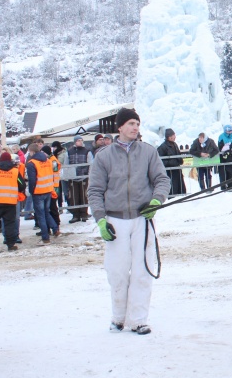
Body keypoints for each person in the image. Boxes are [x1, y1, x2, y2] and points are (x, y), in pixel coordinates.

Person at [87, 108, 170, 335]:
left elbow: (162, 179)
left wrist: (156, 200)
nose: (135, 127)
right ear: (120, 127)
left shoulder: (148, 152)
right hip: (116, 220)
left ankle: (139, 319)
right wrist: (101, 220)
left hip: (142, 219)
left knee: (143, 270)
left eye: (137, 123)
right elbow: (94, 191)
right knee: (117, 272)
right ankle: (118, 318)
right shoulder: (103, 156)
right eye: (131, 123)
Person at [0, 152, 26, 252]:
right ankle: (11, 245)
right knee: (9, 223)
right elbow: (22, 185)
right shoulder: (15, 171)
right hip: (10, 202)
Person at [26, 143, 60, 245]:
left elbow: (32, 180)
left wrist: (31, 191)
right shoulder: (48, 161)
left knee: (40, 215)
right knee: (46, 212)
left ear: (32, 151)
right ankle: (55, 229)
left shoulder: (32, 163)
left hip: (38, 191)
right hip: (48, 189)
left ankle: (45, 238)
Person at [66, 135, 91, 222]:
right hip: (73, 178)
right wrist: (67, 175)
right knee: (73, 196)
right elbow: (66, 164)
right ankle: (75, 215)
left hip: (83, 176)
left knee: (84, 195)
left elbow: (91, 163)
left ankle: (84, 213)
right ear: (75, 142)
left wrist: (89, 175)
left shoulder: (86, 151)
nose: (80, 142)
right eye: (78, 140)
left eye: (81, 140)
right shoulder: (69, 152)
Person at [157, 128, 186, 196]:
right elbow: (160, 161)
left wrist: (180, 160)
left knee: (181, 188)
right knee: (173, 188)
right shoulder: (162, 147)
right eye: (173, 135)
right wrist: (171, 163)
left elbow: (178, 154)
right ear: (169, 137)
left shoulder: (175, 144)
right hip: (170, 172)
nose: (175, 137)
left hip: (177, 169)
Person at [217, 125, 232, 191]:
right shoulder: (221, 136)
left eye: (230, 131)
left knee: (231, 174)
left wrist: (230, 148)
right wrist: (229, 147)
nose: (229, 132)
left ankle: (231, 187)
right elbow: (221, 148)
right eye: (228, 131)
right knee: (223, 174)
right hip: (223, 159)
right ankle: (223, 188)